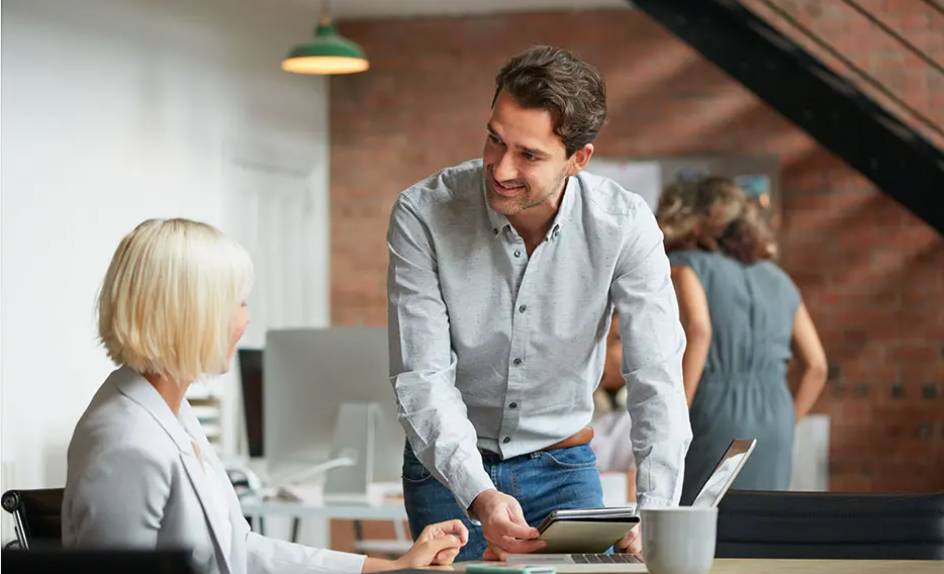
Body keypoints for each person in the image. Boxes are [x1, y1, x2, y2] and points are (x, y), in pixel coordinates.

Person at [386, 45, 691, 561]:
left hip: (563, 468)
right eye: (494, 139)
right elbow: (422, 375)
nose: (500, 168)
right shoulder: (425, 212)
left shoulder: (625, 225)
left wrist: (656, 509)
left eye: (528, 155)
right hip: (447, 472)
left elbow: (655, 374)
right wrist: (479, 494)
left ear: (578, 159)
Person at [63, 218, 467, 574]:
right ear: (189, 313)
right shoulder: (129, 443)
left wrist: (387, 567)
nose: (246, 318)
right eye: (237, 302)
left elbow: (240, 550)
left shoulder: (168, 413)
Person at [656, 177, 828, 503]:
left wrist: (673, 416)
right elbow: (817, 367)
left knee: (694, 528)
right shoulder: (779, 278)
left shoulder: (683, 267)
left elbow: (699, 332)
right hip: (775, 420)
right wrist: (788, 422)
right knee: (761, 528)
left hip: (711, 412)